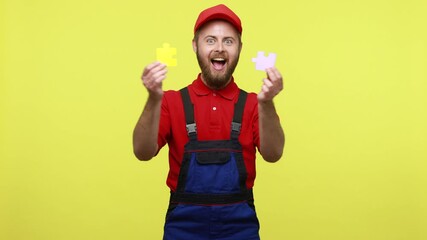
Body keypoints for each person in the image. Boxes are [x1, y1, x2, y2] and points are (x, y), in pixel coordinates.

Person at [133, 4, 285, 240]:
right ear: (195, 45)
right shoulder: (171, 101)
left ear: (240, 48)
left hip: (240, 227)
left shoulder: (255, 103)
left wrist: (267, 103)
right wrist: (153, 98)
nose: (220, 48)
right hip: (183, 226)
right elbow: (142, 152)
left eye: (228, 41)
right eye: (210, 40)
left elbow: (273, 154)